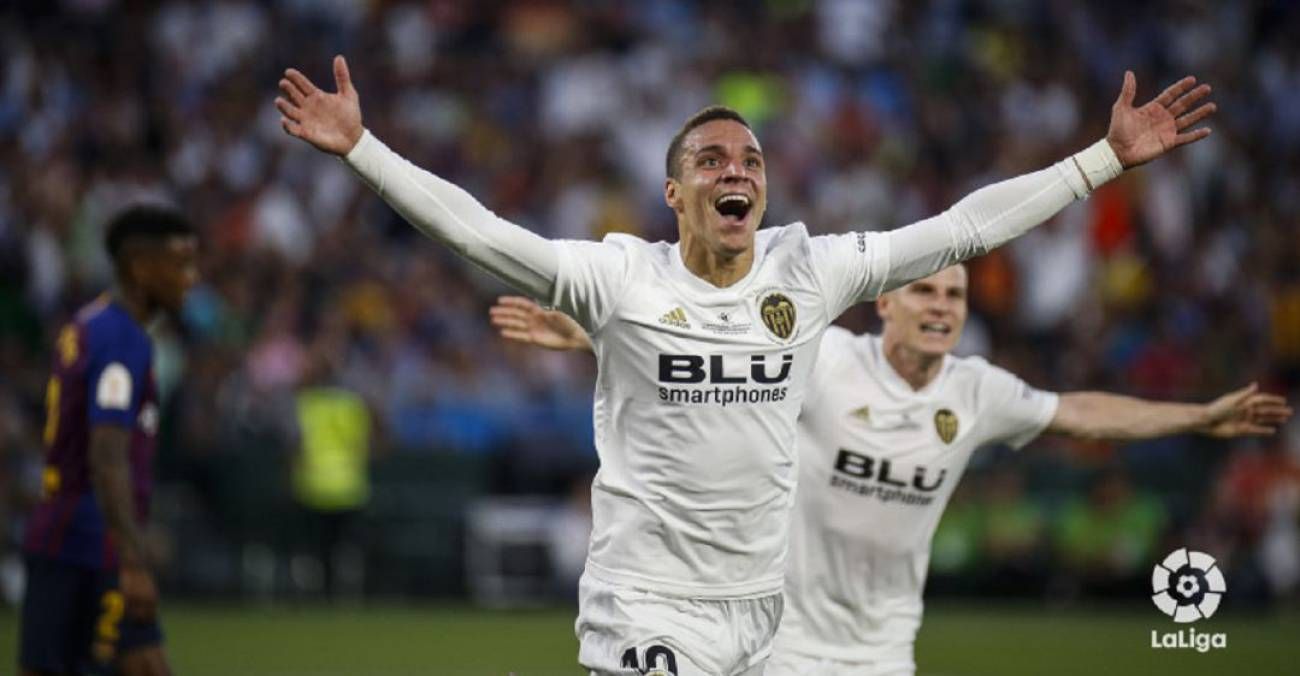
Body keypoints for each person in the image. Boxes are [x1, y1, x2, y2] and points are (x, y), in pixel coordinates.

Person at [276, 55, 1215, 674]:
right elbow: (480, 232)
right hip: (646, 604)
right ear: (674, 189)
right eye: (713, 158)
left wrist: (1100, 160)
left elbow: (961, 228)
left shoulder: (808, 272)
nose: (739, 170)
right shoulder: (619, 277)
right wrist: (361, 148)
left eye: (753, 159)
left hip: (765, 619)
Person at [487, 265, 1291, 675]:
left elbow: (1078, 410)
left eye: (956, 295)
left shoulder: (977, 391)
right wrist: (588, 337)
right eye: (925, 291)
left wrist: (1198, 415)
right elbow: (710, 351)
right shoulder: (828, 358)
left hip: (883, 650)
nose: (943, 306)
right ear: (885, 305)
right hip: (784, 641)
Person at [18, 206, 199, 676]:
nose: (191, 278)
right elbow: (107, 454)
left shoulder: (89, 324)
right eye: (180, 264)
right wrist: (132, 557)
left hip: (65, 530)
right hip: (89, 542)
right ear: (140, 266)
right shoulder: (122, 342)